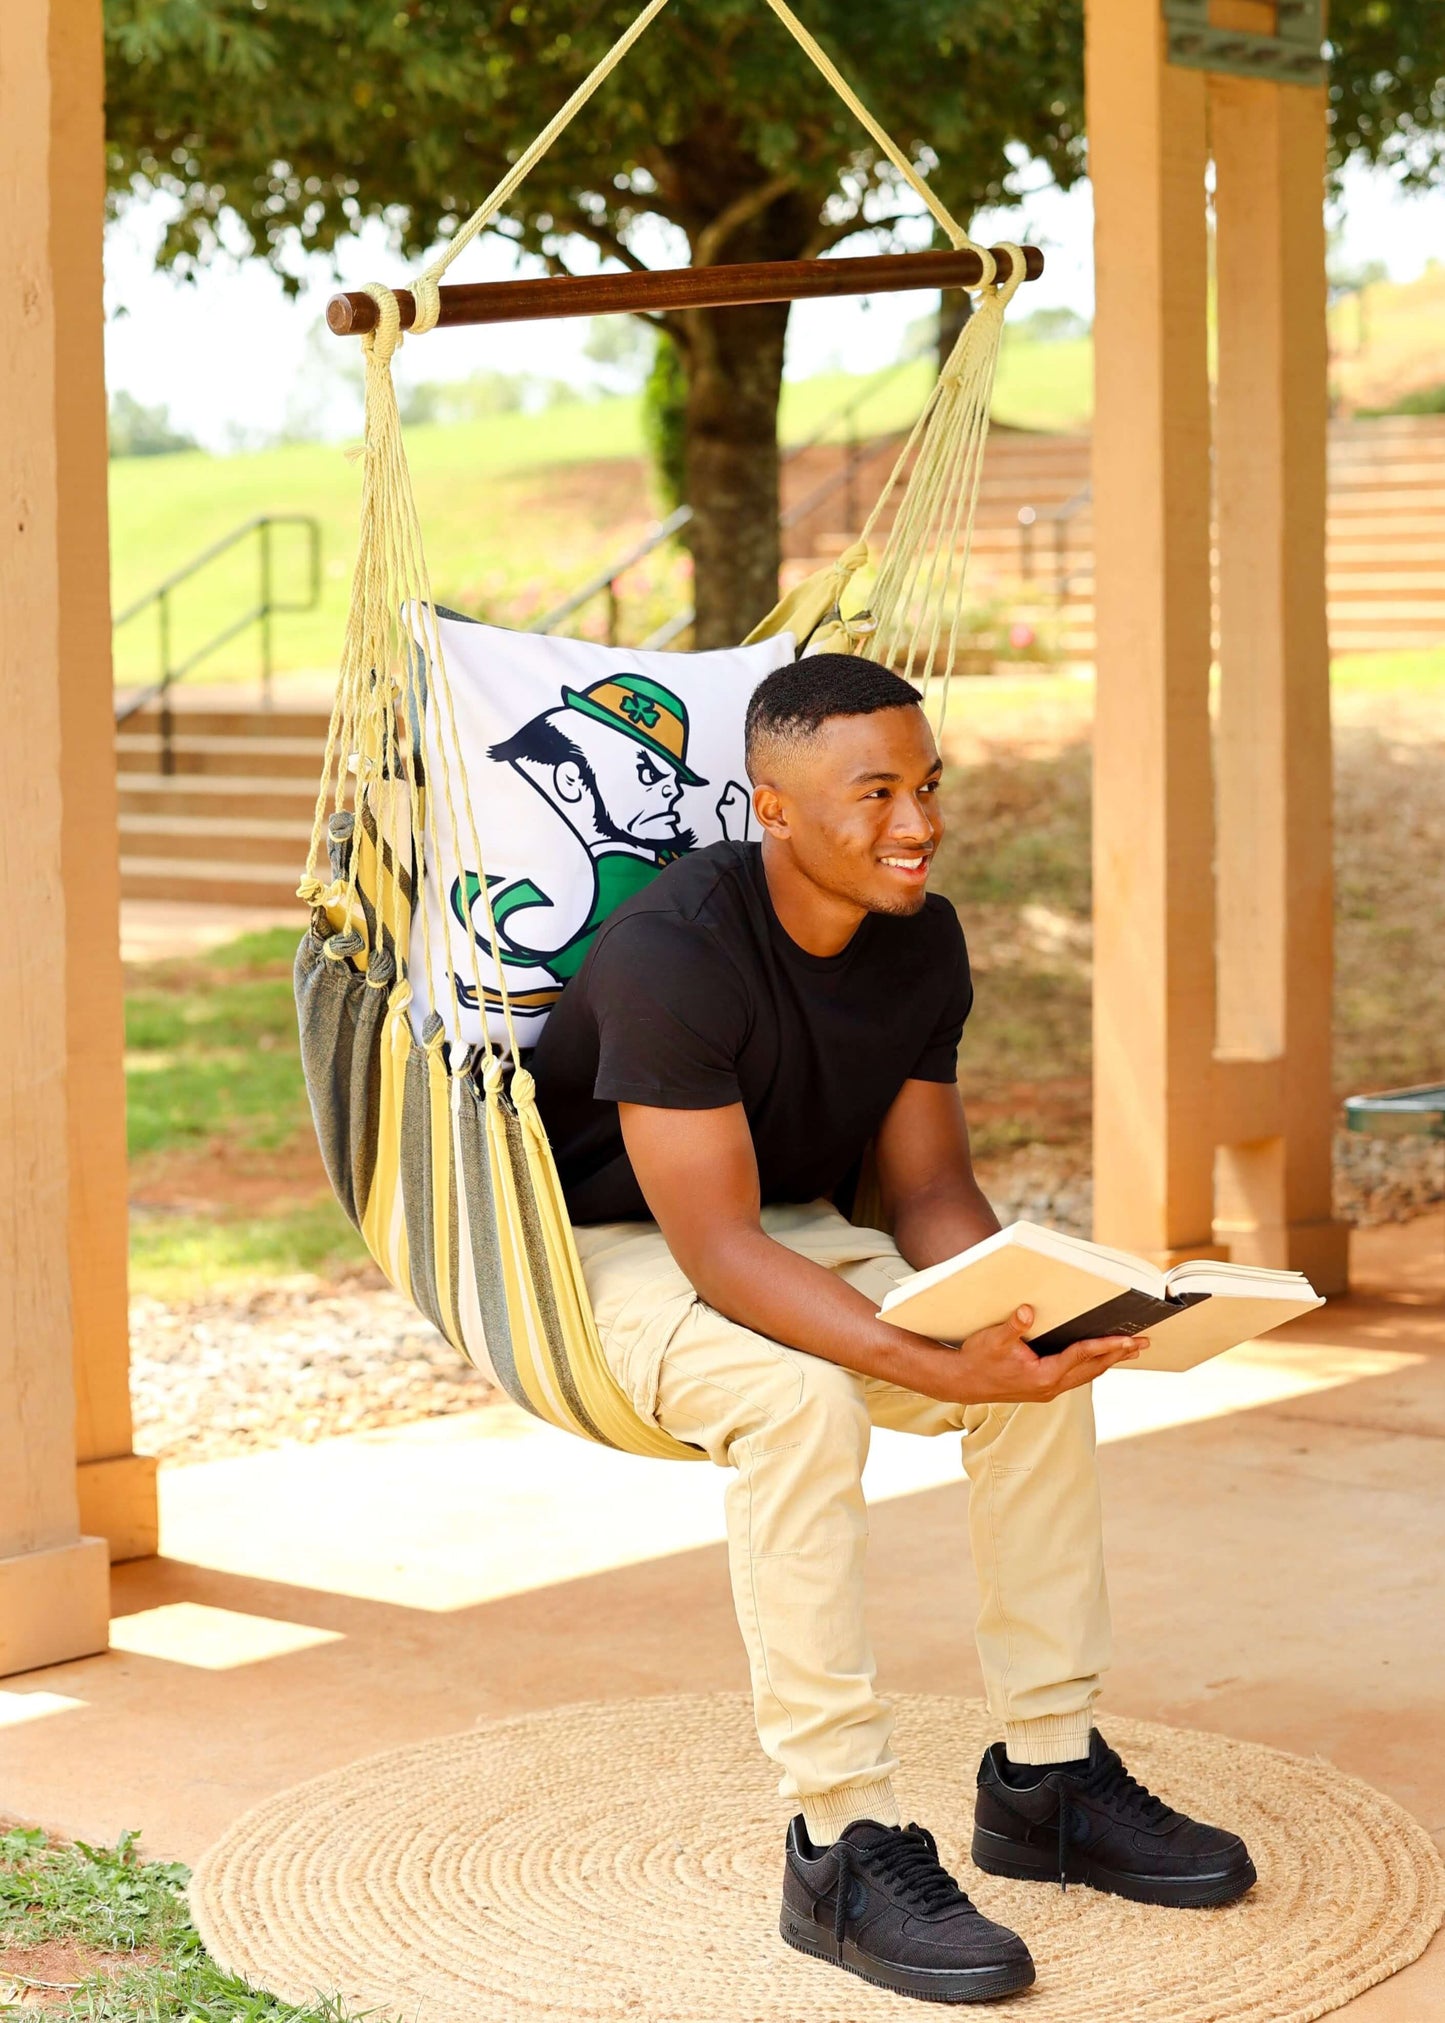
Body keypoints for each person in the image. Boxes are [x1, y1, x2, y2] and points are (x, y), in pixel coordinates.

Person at [531, 654, 1255, 2005]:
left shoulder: (921, 937)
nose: (915, 822)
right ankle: (838, 1844)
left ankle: (1045, 1779)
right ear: (774, 810)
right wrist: (927, 1357)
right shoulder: (672, 953)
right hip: (608, 1255)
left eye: (925, 785)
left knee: (1032, 1372)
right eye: (874, 794)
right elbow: (718, 1249)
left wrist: (1033, 1310)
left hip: (782, 1221)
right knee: (796, 1406)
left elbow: (926, 1192)